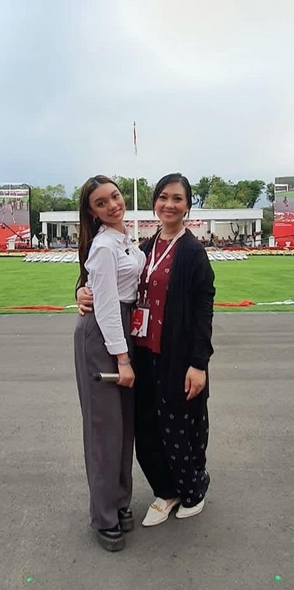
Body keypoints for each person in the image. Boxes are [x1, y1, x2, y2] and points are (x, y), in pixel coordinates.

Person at [78, 173, 215, 530]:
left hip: (176, 354)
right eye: (163, 197)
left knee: (181, 423)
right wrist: (81, 292)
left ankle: (192, 489)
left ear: (187, 205)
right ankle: (165, 490)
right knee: (146, 426)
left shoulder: (192, 252)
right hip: (141, 349)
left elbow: (203, 310)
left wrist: (198, 363)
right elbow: (108, 284)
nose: (169, 205)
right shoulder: (146, 246)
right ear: (155, 202)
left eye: (178, 199)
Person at [72, 175, 145, 552]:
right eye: (102, 202)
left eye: (115, 196)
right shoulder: (103, 246)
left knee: (124, 428)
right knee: (105, 430)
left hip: (124, 330)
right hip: (103, 338)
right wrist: (122, 358)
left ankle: (119, 500)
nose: (113, 204)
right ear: (92, 212)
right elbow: (104, 305)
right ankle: (103, 516)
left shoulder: (125, 242)